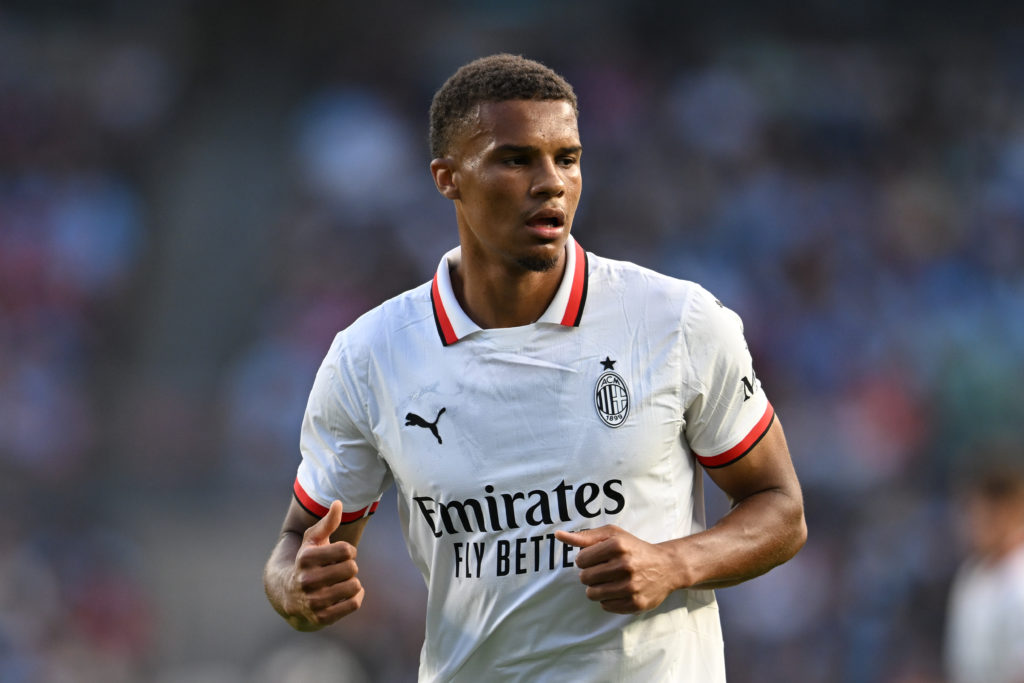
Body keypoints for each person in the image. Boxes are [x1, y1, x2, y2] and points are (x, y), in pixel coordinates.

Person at [263, 53, 806, 681]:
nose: (550, 182)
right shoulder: (369, 357)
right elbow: (298, 541)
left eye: (567, 158)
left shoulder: (675, 321)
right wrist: (295, 588)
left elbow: (780, 508)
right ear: (448, 178)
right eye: (516, 159)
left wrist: (674, 563)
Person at [945, 454, 1024, 683]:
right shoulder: (971, 575)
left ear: (1009, 511)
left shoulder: (1019, 580)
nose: (972, 524)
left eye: (982, 514)